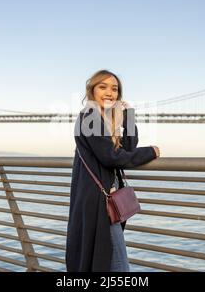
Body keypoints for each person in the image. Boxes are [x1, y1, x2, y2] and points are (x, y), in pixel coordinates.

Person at [66, 69, 160, 272]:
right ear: (92, 90)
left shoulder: (105, 119)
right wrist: (151, 152)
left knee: (104, 262)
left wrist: (129, 117)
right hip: (98, 203)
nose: (110, 92)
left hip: (104, 200)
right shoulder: (90, 117)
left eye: (115, 89)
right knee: (118, 264)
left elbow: (128, 149)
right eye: (103, 87)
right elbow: (112, 158)